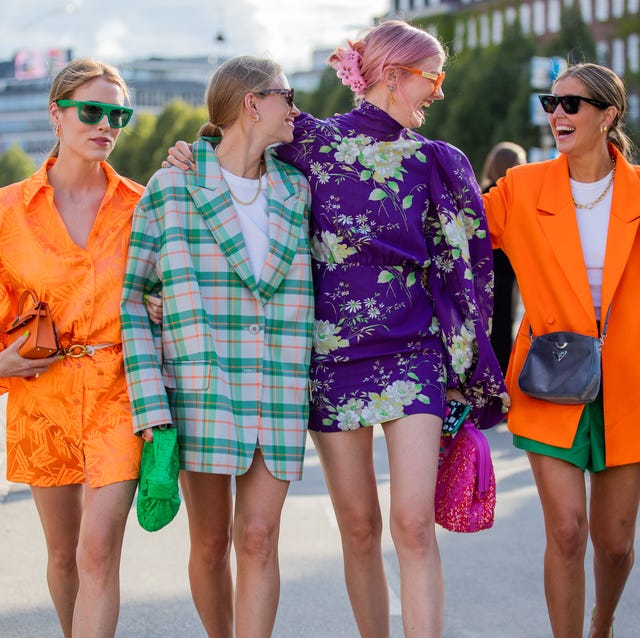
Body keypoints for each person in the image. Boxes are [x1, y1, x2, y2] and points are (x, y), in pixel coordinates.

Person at [165, 20, 508, 637]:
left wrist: (467, 373)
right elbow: (237, 150)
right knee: (359, 528)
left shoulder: (440, 162)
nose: (440, 91)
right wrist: (192, 151)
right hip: (330, 360)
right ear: (395, 76)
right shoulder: (308, 143)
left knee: (412, 523)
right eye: (434, 77)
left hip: (414, 355)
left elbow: (467, 271)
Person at [120, 56, 314, 638]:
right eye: (287, 96)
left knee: (259, 537)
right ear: (252, 104)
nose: (297, 109)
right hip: (202, 389)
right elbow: (134, 301)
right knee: (210, 542)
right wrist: (151, 409)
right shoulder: (172, 186)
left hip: (278, 389)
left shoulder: (298, 190)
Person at [483, 62, 640, 638]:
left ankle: (603, 620)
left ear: (608, 115)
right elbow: (448, 228)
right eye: (552, 102)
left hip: (631, 384)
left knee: (617, 543)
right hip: (550, 378)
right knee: (568, 530)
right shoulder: (522, 188)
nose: (557, 114)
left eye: (572, 104)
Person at [0, 58, 145, 638]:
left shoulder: (143, 206)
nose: (105, 123)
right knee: (63, 554)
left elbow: (169, 288)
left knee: (96, 549)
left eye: (118, 114)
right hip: (41, 398)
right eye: (92, 110)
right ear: (56, 115)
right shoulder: (7, 211)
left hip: (120, 390)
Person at [480, 141, 527, 374]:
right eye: (520, 162)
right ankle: (503, 373)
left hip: (485, 271)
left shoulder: (482, 195)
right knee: (504, 324)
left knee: (490, 326)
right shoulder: (506, 198)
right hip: (505, 270)